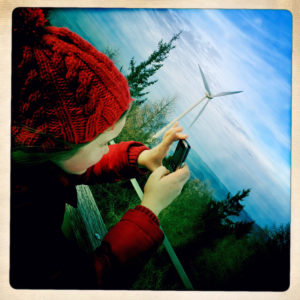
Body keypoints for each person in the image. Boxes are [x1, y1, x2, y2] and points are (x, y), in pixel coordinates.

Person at [11, 8, 190, 289]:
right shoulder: (22, 223)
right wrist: (150, 209)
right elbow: (81, 285)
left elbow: (78, 164)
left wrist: (143, 158)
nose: (110, 149)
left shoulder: (32, 160)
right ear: (59, 144)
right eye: (105, 142)